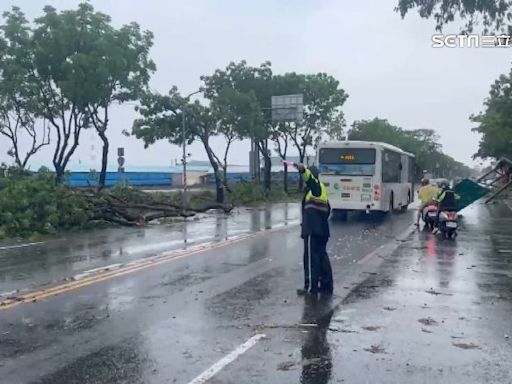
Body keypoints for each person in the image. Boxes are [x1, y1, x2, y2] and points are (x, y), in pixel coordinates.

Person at [294, 163, 333, 296]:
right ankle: (326, 284)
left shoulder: (315, 187)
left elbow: (309, 179)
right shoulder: (320, 189)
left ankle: (311, 287)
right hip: (321, 229)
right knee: (321, 257)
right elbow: (328, 209)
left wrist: (303, 171)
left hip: (313, 230)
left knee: (311, 258)